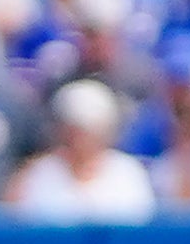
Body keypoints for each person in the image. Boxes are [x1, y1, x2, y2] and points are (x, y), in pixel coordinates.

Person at [8, 77, 156, 218]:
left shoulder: (129, 173)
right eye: (73, 129)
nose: (79, 139)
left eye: (88, 130)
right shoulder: (38, 175)